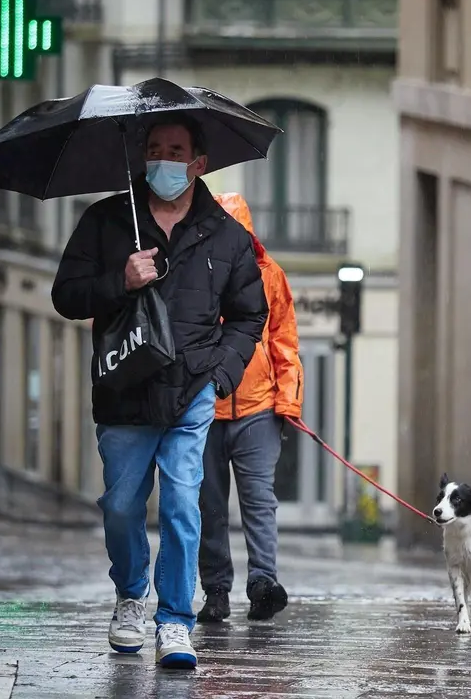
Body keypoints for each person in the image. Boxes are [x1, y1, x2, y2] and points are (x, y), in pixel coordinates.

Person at [50, 113, 268, 670]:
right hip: (124, 389)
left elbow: (249, 314)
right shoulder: (105, 221)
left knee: (181, 503)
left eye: (175, 151)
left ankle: (175, 620)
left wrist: (221, 371)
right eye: (154, 149)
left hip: (191, 389)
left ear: (198, 164)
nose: (163, 160)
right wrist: (119, 281)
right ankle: (130, 596)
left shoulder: (227, 235)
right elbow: (67, 296)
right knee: (121, 507)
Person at [196, 192, 303, 623]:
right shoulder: (193, 272)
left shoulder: (270, 275)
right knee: (209, 504)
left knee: (259, 500)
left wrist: (287, 400)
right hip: (204, 408)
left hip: (258, 408)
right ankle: (216, 590)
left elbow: (284, 341)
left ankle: (262, 582)